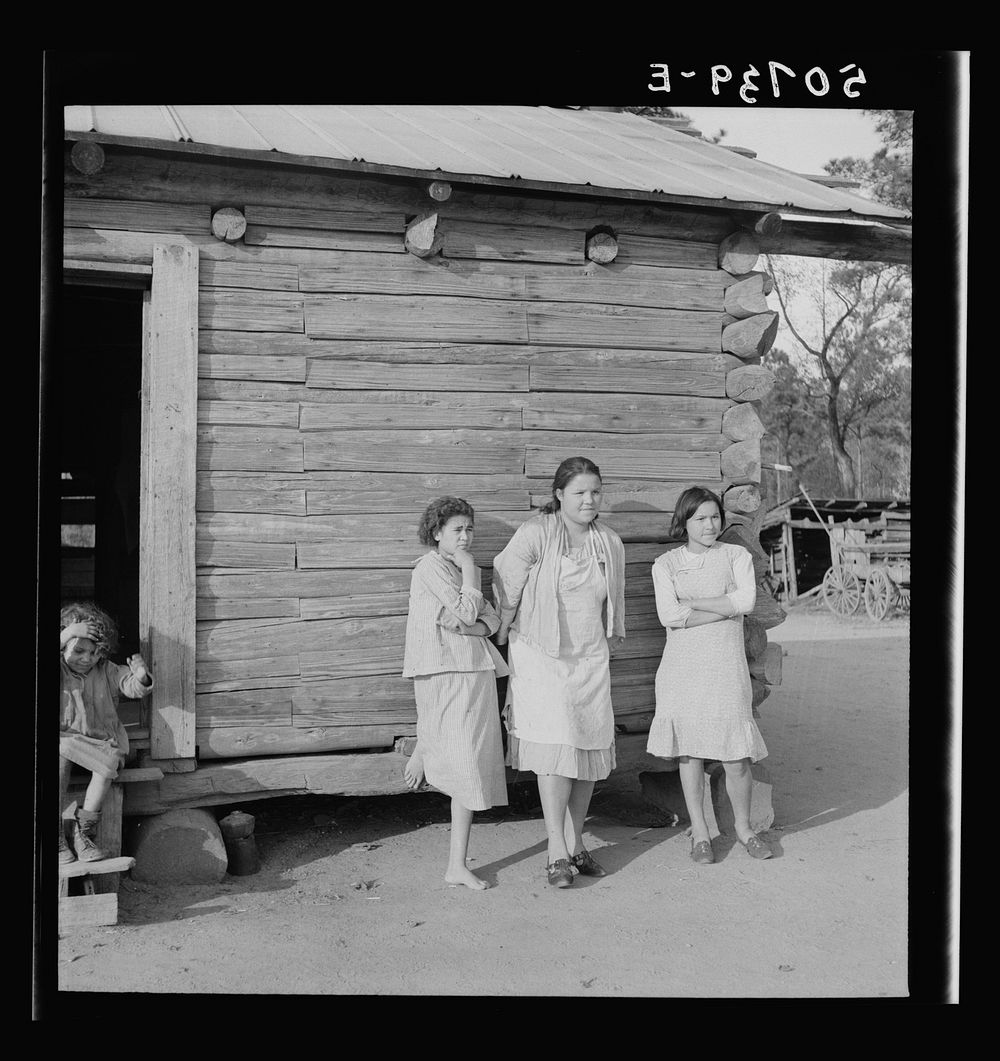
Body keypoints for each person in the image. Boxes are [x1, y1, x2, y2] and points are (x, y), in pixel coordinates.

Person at [493, 457, 625, 888]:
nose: (589, 500)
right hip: (542, 657)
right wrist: (500, 630)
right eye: (579, 493)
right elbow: (505, 584)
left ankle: (576, 843)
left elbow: (608, 604)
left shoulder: (608, 543)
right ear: (559, 495)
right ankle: (555, 850)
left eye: (595, 492)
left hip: (589, 657)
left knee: (587, 745)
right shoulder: (536, 535)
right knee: (556, 746)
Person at [646, 486, 772, 863]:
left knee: (737, 756)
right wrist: (725, 607)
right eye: (700, 518)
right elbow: (670, 616)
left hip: (725, 668)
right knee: (691, 753)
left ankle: (744, 828)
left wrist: (696, 604)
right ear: (683, 522)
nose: (710, 524)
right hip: (683, 670)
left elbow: (746, 601)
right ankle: (700, 832)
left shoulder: (735, 555)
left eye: (715, 516)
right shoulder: (666, 564)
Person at [401, 497, 509, 890]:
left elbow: (490, 622)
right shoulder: (431, 567)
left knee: (472, 760)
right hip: (444, 669)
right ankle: (456, 865)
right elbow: (465, 613)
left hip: (474, 668)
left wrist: (474, 621)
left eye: (469, 529)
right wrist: (470, 573)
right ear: (436, 534)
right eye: (456, 530)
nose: (465, 537)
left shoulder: (456, 569)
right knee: (464, 765)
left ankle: (457, 863)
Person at [60, 602, 154, 864]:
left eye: (94, 653)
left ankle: (84, 832)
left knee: (108, 764)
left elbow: (130, 686)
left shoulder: (107, 670)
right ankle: (55, 835)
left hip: (99, 744)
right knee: (58, 754)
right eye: (78, 650)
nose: (86, 659)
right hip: (65, 743)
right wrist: (66, 633)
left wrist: (141, 676)